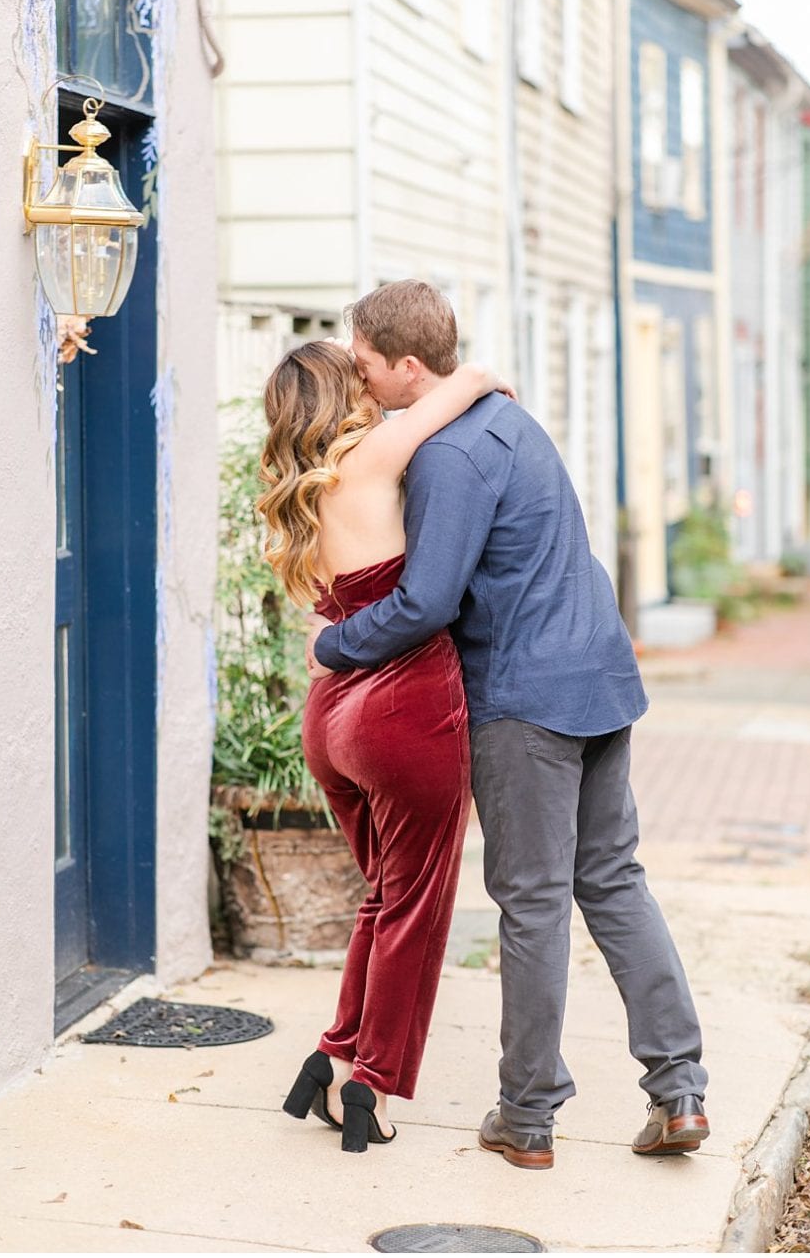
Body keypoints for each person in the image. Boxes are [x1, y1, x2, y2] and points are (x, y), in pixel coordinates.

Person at [308, 279, 709, 1170]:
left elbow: (425, 602)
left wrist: (334, 646)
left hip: (525, 700)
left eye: (367, 364)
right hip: (599, 675)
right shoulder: (509, 423)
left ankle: (527, 1115)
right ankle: (680, 1091)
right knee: (612, 879)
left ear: (408, 366)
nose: (361, 380)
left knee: (530, 904)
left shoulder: (447, 455)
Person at [261, 338, 512, 1153]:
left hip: (331, 715)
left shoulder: (298, 493)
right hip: (403, 704)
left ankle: (332, 1055)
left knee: (381, 896)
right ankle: (370, 1080)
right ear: (344, 393)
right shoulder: (369, 460)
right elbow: (463, 383)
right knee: (415, 907)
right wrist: (481, 376)